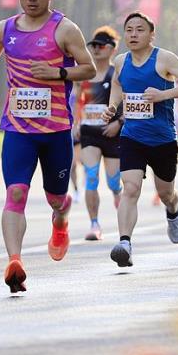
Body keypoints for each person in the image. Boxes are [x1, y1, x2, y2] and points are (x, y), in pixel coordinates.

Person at [0, 0, 96, 292]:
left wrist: (58, 74)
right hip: (18, 130)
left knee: (56, 198)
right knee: (16, 193)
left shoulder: (65, 29)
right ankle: (14, 261)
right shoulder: (5, 28)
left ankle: (61, 217)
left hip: (55, 131)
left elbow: (89, 69)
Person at [102, 12, 178, 267]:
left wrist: (162, 95)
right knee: (130, 188)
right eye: (129, 30)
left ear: (151, 34)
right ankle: (125, 244)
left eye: (140, 29)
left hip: (162, 139)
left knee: (166, 193)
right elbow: (117, 84)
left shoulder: (165, 58)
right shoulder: (121, 61)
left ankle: (173, 211)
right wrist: (112, 106)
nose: (133, 34)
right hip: (132, 137)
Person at [74, 26, 123, 240]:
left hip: (112, 133)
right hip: (89, 134)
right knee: (91, 176)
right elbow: (77, 100)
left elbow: (130, 101)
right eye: (93, 45)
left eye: (101, 46)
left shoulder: (117, 74)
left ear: (112, 48)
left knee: (113, 182)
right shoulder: (85, 73)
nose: (95, 49)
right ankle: (94, 224)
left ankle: (119, 197)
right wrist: (75, 122)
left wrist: (119, 123)